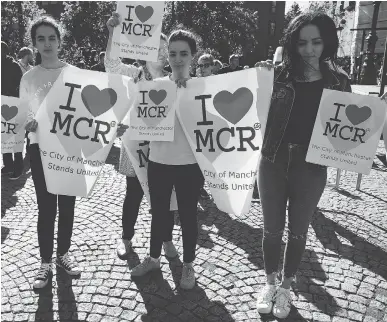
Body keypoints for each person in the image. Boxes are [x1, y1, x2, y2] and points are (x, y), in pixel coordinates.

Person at [255, 12, 351, 319]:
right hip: (273, 159)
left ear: (327, 43)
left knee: (297, 232)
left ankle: (286, 286)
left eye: (316, 42)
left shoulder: (339, 81)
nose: (309, 49)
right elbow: (254, 109)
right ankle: (269, 283)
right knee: (271, 230)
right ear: (293, 44)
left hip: (311, 165)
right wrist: (259, 77)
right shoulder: (278, 74)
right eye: (302, 42)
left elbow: (347, 128)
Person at [130, 29, 204, 291]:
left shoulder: (201, 89)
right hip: (159, 162)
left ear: (193, 56)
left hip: (190, 165)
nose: (177, 59)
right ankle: (153, 258)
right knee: (158, 213)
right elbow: (141, 122)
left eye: (184, 53)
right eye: (172, 53)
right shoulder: (157, 86)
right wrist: (126, 127)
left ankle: (188, 264)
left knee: (187, 215)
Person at [105, 12, 178, 260]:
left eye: (164, 47)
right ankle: (126, 238)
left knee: (165, 196)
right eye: (155, 46)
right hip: (135, 144)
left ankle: (166, 239)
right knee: (133, 194)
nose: (160, 51)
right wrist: (113, 34)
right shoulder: (134, 74)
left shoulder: (174, 80)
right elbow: (111, 65)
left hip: (165, 147)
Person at [21, 16, 81, 289]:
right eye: (41, 39)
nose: (47, 43)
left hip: (69, 148)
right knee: (46, 208)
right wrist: (28, 124)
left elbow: (85, 114)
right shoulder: (28, 77)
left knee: (67, 206)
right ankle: (45, 262)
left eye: (51, 38)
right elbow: (24, 114)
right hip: (40, 149)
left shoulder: (74, 74)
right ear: (34, 43)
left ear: (60, 41)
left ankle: (63, 255)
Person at [1, 41, 24, 180]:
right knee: (4, 137)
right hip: (2, 104)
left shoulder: (14, 66)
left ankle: (18, 167)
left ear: (4, 51)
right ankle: (8, 165)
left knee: (15, 138)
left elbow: (20, 85)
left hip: (14, 104)